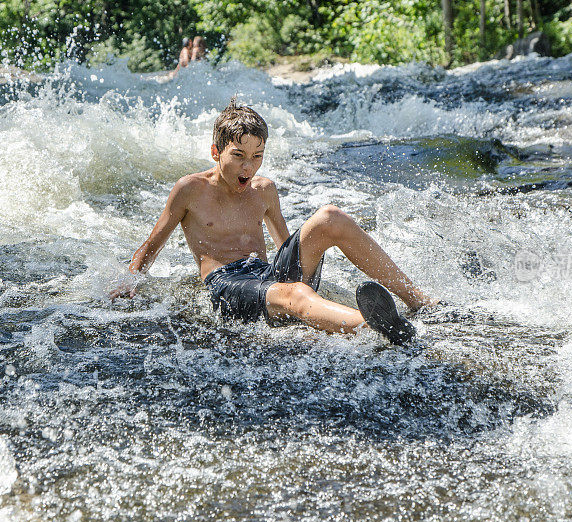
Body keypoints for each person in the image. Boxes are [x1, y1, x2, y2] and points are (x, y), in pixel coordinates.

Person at [110, 99, 435, 344]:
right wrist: (129, 282)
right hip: (227, 285)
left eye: (257, 156)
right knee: (293, 294)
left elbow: (285, 248)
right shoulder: (190, 190)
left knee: (329, 218)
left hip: (266, 275)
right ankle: (377, 329)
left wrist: (303, 273)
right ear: (216, 152)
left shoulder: (264, 191)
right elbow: (151, 245)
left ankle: (418, 300)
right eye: (238, 155)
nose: (247, 168)